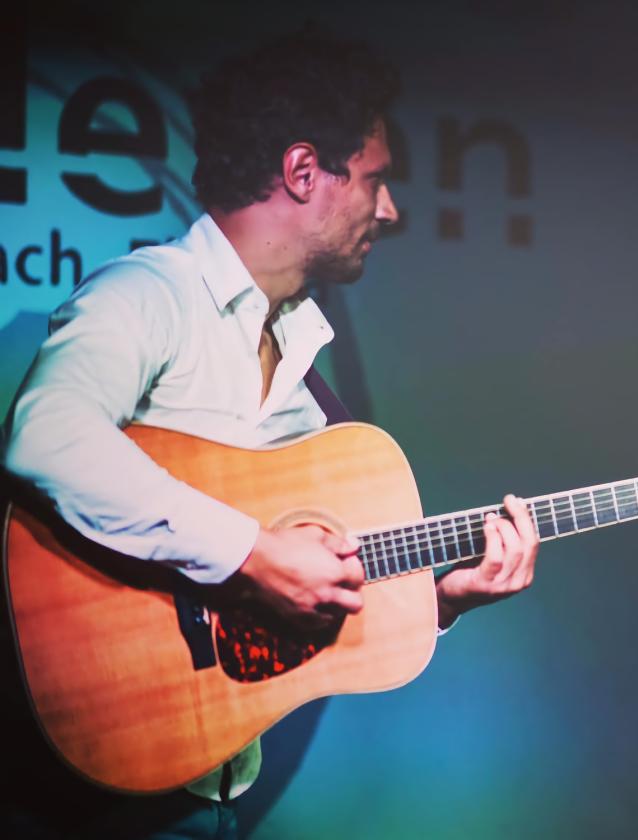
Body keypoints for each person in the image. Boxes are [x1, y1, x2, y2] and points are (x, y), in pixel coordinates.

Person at [1, 31, 538, 838]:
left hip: (208, 793)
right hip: (76, 796)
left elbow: (309, 576)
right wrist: (251, 553)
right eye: (375, 181)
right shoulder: (150, 295)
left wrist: (442, 598)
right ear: (300, 173)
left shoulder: (300, 359)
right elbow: (45, 435)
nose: (389, 210)